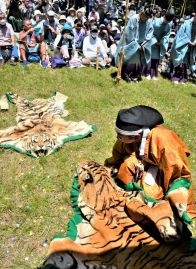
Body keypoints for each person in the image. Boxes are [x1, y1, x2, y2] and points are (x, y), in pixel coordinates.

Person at [105, 105, 196, 239]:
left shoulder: (164, 139)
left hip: (164, 168)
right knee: (127, 165)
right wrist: (109, 167)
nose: (118, 138)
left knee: (151, 193)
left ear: (136, 136)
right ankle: (132, 188)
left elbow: (179, 174)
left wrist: (180, 203)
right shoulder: (128, 138)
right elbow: (118, 154)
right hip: (144, 164)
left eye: (120, 136)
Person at [115, 7, 153, 83]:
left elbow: (150, 33)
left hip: (142, 44)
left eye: (147, 17)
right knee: (128, 57)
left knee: (138, 60)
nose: (146, 18)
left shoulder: (149, 21)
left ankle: (135, 75)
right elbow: (129, 33)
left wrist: (143, 44)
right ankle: (125, 74)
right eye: (145, 16)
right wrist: (135, 45)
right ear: (141, 13)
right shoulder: (133, 19)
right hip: (130, 43)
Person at [145, 13, 174, 80]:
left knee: (156, 59)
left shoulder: (168, 25)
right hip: (152, 42)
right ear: (164, 17)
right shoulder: (155, 21)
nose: (167, 22)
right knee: (150, 57)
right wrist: (155, 40)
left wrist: (161, 41)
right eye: (166, 20)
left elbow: (167, 35)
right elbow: (150, 31)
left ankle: (154, 74)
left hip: (160, 43)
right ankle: (147, 73)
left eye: (168, 21)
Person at [171, 14, 196, 84]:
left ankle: (183, 78)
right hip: (183, 45)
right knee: (181, 60)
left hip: (191, 47)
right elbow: (181, 34)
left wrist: (194, 41)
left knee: (185, 62)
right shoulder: (186, 23)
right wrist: (188, 41)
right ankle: (176, 77)